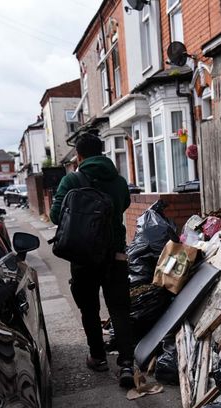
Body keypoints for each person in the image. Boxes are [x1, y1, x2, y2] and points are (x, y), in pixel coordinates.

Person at [50, 132, 135, 388]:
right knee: (119, 310)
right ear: (102, 152)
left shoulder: (71, 180)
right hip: (116, 255)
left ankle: (97, 357)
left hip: (84, 257)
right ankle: (127, 364)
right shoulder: (119, 181)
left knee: (89, 309)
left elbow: (56, 216)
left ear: (79, 155)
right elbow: (123, 206)